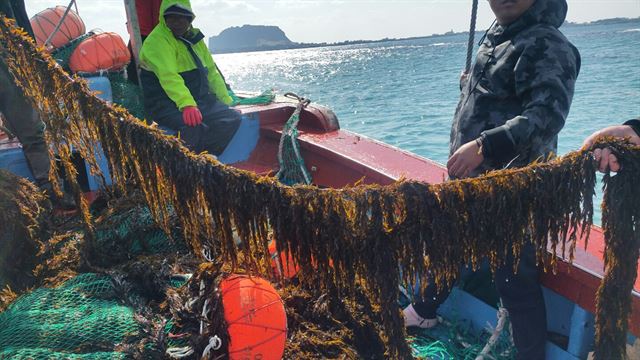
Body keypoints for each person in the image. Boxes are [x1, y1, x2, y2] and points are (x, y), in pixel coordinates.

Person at [403, 0, 581, 359]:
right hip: (473, 186)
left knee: (514, 280)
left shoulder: (547, 43)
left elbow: (546, 116)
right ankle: (421, 313)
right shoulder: (497, 38)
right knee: (450, 246)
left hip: (513, 192)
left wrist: (485, 146)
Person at [139, 0, 240, 156]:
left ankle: (207, 158)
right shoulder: (156, 41)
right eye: (172, 18)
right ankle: (185, 169)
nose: (178, 23)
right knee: (193, 127)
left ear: (190, 20)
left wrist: (227, 100)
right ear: (164, 19)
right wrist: (187, 105)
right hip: (165, 103)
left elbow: (212, 72)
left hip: (198, 100)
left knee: (232, 118)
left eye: (183, 18)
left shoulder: (195, 39)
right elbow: (169, 76)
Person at [0, 0, 74, 209]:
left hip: (10, 61)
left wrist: (33, 56)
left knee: (32, 132)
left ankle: (52, 191)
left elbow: (19, 21)